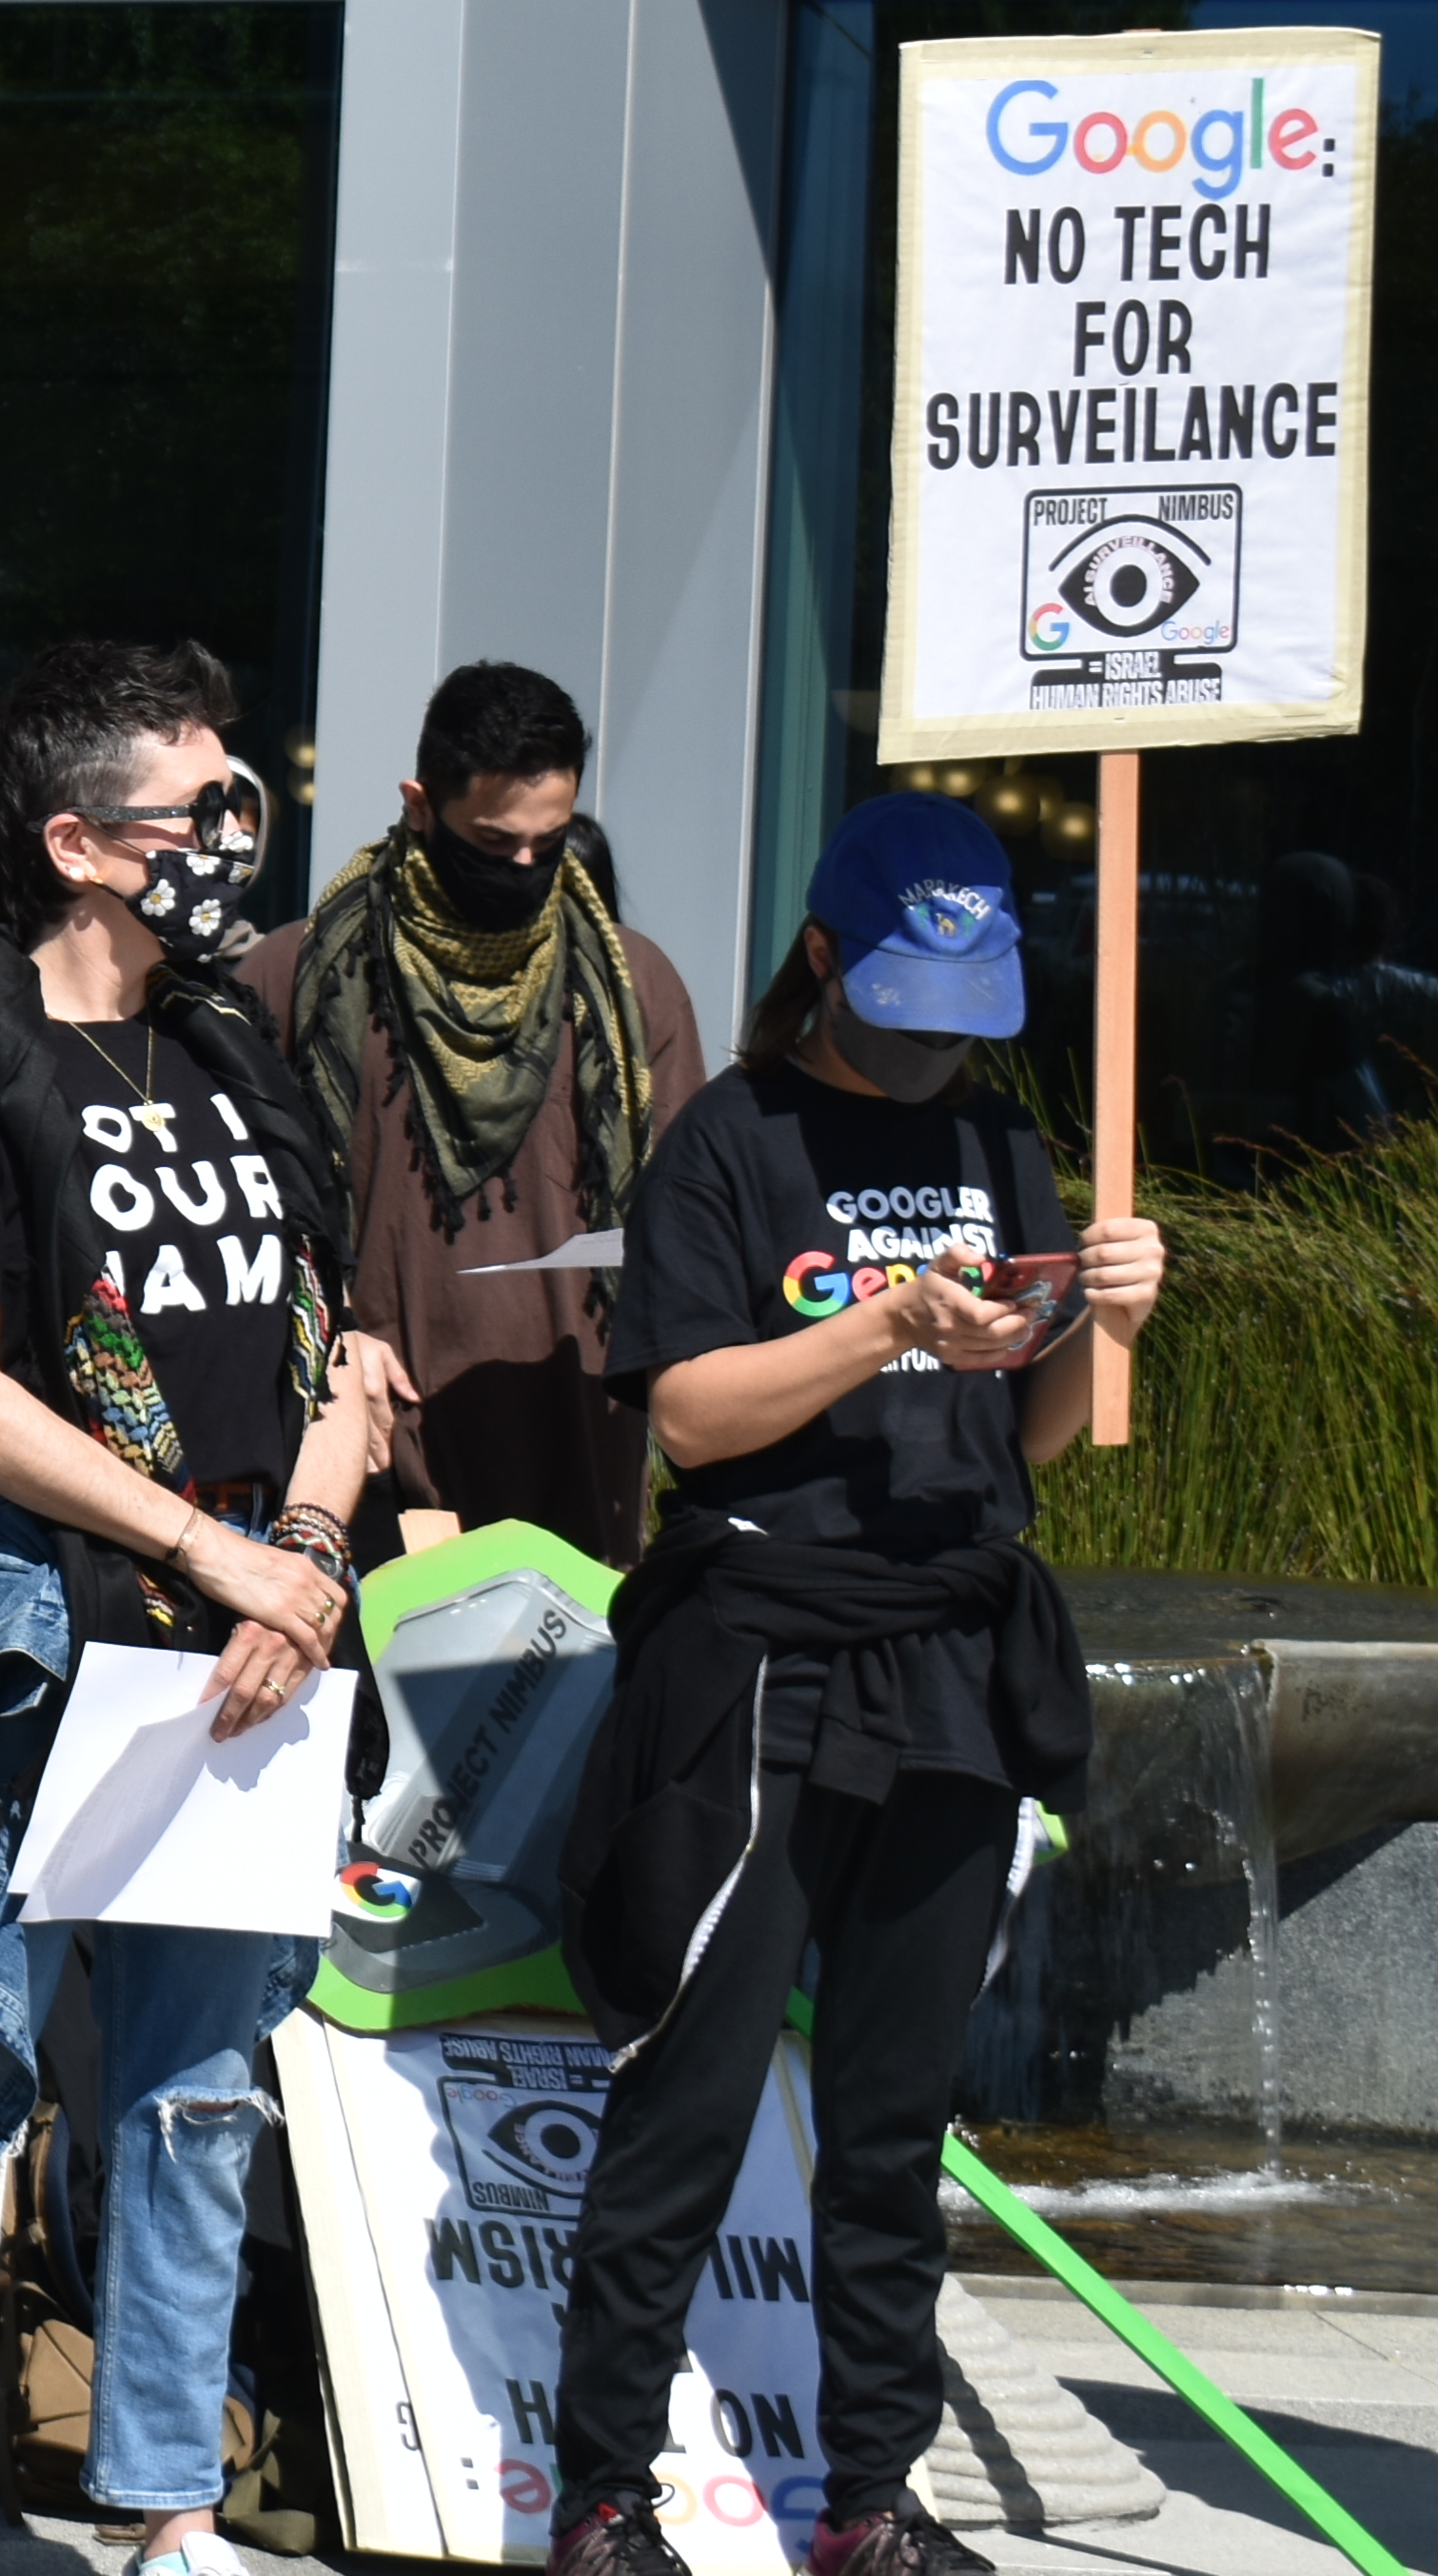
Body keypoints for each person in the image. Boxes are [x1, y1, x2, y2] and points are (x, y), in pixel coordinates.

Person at [0, 641, 402, 2576]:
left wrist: (301, 1555)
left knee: (197, 2093)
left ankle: (163, 2498)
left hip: (250, 1634)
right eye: (206, 805)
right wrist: (214, 1552)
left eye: (246, 798)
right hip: (28, 1629)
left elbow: (349, 1347)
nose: (246, 835)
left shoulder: (244, 1050)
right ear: (79, 843)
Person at [538, 796, 1158, 2576]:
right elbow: (689, 1420)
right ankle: (602, 2500)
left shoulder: (998, 1142)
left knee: (893, 2127)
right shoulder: (729, 1145)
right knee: (693, 2094)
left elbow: (1030, 1439)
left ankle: (872, 2499)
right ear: (821, 959)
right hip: (757, 1652)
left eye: (961, 1010)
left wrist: (1099, 1319)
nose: (931, 1046)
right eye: (901, 1000)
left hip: (955, 1656)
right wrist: (884, 1323)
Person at [246, 662, 701, 1561]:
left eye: (553, 841)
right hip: (356, 1468)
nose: (527, 868)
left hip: (577, 1459)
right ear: (420, 805)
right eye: (494, 845)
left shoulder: (631, 987)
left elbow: (688, 1238)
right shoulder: (299, 978)